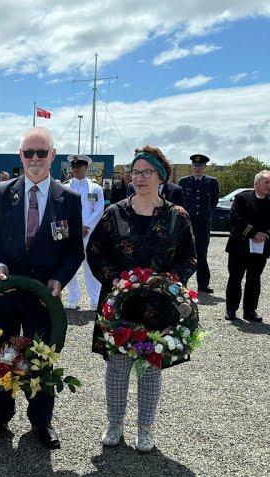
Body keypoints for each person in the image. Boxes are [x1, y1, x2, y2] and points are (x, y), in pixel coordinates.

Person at [0, 126, 84, 449]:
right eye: (28, 153)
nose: (34, 159)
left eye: (41, 152)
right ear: (20, 156)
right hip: (5, 294)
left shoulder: (69, 199)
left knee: (41, 359)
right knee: (2, 356)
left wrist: (59, 279)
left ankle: (41, 421)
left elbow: (74, 249)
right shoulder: (4, 192)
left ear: (53, 155)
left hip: (43, 297)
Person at [86, 145, 197, 453]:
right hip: (120, 305)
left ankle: (145, 429)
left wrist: (171, 283)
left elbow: (189, 259)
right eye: (135, 172)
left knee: (150, 367)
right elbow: (95, 253)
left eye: (146, 173)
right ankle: (114, 424)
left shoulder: (178, 217)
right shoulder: (115, 213)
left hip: (158, 307)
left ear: (160, 177)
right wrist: (116, 281)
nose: (139, 178)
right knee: (118, 366)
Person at [225, 170, 270, 322]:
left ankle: (250, 311)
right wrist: (253, 233)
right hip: (239, 246)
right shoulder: (241, 198)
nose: (269, 185)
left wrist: (264, 234)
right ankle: (231, 309)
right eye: (266, 182)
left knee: (254, 279)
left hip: (260, 248)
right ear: (256, 184)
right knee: (235, 278)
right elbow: (234, 218)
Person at [64, 154, 104, 310]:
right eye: (73, 167)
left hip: (89, 233)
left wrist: (86, 226)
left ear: (85, 167)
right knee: (69, 266)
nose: (75, 169)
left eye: (79, 167)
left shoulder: (95, 188)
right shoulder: (65, 187)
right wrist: (72, 229)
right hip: (70, 234)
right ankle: (73, 297)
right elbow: (62, 210)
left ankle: (95, 299)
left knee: (91, 267)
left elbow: (98, 210)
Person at [178, 154, 219, 293]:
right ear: (192, 167)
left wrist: (205, 215)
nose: (197, 168)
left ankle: (203, 284)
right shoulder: (183, 181)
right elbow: (180, 202)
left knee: (201, 253)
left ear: (204, 167)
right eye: (195, 166)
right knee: (184, 253)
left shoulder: (211, 182)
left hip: (203, 224)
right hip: (188, 223)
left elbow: (213, 202)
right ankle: (181, 283)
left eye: (200, 166)